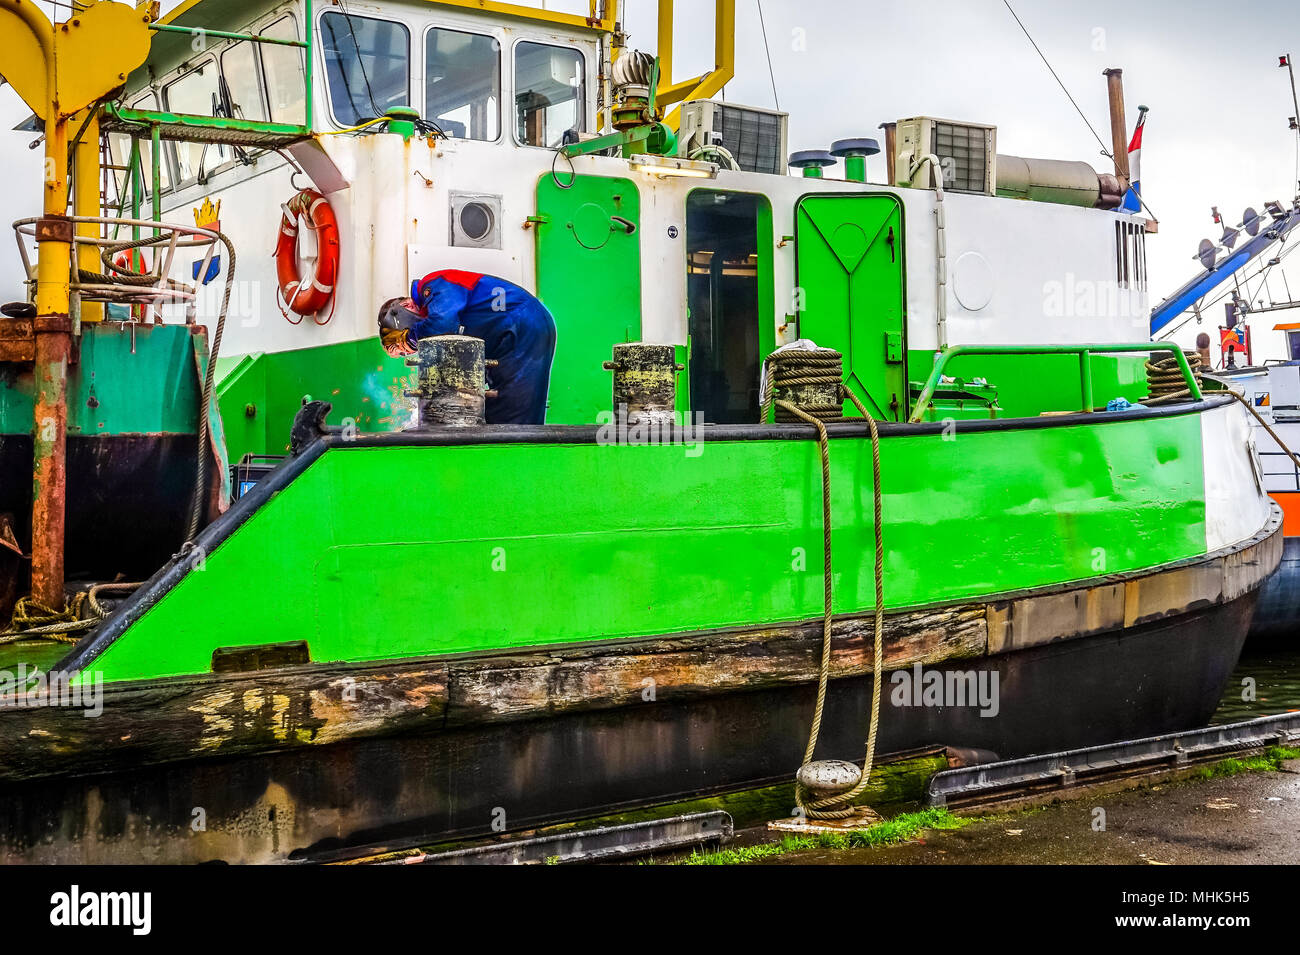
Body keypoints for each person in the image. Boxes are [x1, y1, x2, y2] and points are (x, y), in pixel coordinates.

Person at [378, 270, 557, 424]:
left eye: (408, 347)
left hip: (523, 325)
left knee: (514, 415)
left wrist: (408, 340)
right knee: (496, 412)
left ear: (406, 306)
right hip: (510, 334)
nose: (414, 348)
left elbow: (441, 325)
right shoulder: (437, 308)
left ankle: (518, 460)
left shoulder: (436, 283)